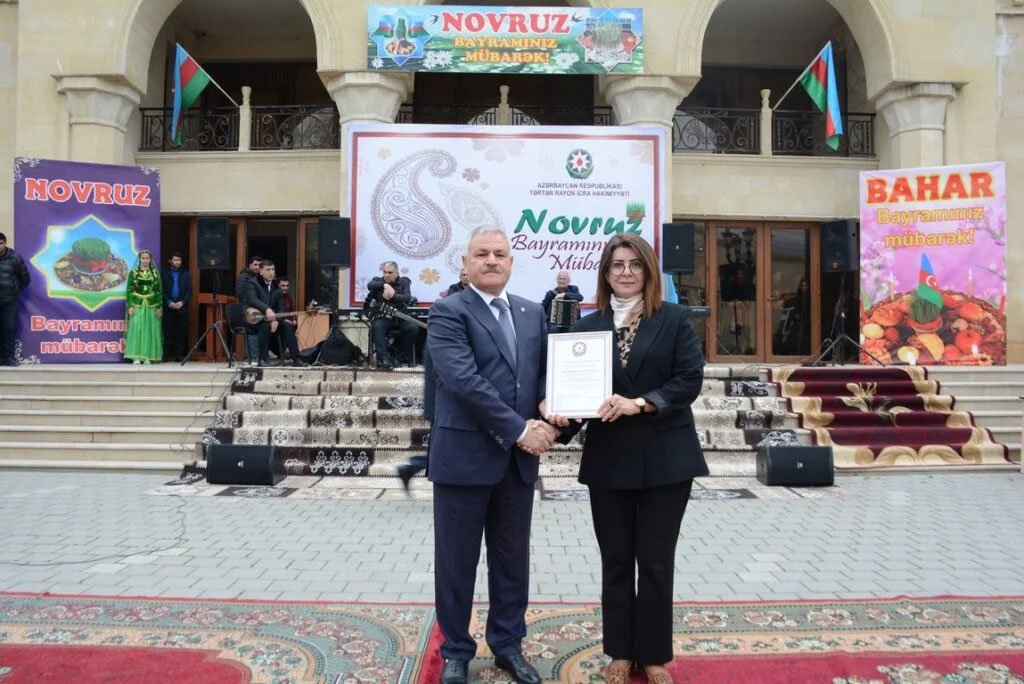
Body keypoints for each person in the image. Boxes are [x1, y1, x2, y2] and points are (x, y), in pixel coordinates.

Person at [545, 234, 707, 684]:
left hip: (666, 458)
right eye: (617, 265)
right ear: (605, 273)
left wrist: (641, 402)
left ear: (649, 270)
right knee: (615, 560)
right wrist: (557, 419)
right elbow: (578, 399)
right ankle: (619, 651)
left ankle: (653, 654)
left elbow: (688, 380)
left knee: (655, 560)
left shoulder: (673, 319)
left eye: (635, 264)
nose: (626, 272)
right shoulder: (586, 327)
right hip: (610, 460)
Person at [427, 226, 557, 684]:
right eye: (481, 253)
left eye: (500, 253)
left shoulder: (531, 311)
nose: (491, 260)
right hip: (464, 458)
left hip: (515, 467)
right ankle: (456, 651)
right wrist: (521, 429)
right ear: (465, 262)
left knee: (511, 562)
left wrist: (549, 403)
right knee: (456, 564)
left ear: (511, 262)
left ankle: (508, 645)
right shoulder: (448, 311)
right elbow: (463, 382)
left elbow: (541, 373)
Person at [366, 261, 418, 369]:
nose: (386, 275)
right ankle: (385, 359)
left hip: (400, 317)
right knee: (377, 326)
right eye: (384, 272)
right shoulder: (378, 280)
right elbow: (369, 285)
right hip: (383, 317)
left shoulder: (404, 282)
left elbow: (407, 297)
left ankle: (398, 358)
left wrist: (392, 296)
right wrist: (384, 284)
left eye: (390, 272)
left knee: (413, 328)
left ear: (397, 273)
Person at [124, 249, 164, 364]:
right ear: (140, 259)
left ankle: (147, 356)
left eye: (147, 258)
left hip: (152, 304)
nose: (145, 260)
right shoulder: (134, 272)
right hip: (137, 304)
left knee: (150, 329)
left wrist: (159, 307)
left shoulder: (155, 273)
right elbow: (129, 290)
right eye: (143, 258)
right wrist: (130, 306)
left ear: (150, 259)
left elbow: (159, 291)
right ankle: (136, 356)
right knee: (137, 328)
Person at [0, 232, 30, 367]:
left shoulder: (15, 259)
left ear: (5, 243)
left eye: (0, 243)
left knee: (9, 328)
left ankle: (9, 357)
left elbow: (25, 278)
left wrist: (14, 290)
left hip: (9, 301)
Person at [269, 273, 306, 366]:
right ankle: (296, 358)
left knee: (291, 327)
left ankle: (292, 357)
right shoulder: (275, 295)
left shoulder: (288, 297)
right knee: (287, 327)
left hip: (286, 323)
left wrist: (294, 319)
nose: (285, 288)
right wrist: (284, 320)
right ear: (278, 285)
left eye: (287, 286)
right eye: (283, 286)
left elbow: (291, 311)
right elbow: (273, 312)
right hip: (275, 323)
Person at [161, 252, 192, 362]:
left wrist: (182, 302)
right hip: (168, 307)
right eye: (175, 260)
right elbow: (161, 290)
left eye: (179, 260)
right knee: (167, 332)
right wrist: (168, 302)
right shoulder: (164, 273)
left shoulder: (186, 274)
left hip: (181, 307)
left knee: (180, 332)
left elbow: (189, 291)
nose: (177, 262)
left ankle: (179, 355)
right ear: (170, 261)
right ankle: (165, 355)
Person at [236, 255, 262, 363]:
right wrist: (252, 303)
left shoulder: (260, 277)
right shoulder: (244, 277)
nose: (257, 267)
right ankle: (253, 356)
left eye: (259, 265)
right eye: (255, 264)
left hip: (258, 308)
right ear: (250, 265)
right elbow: (240, 293)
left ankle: (261, 354)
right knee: (252, 329)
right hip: (247, 309)